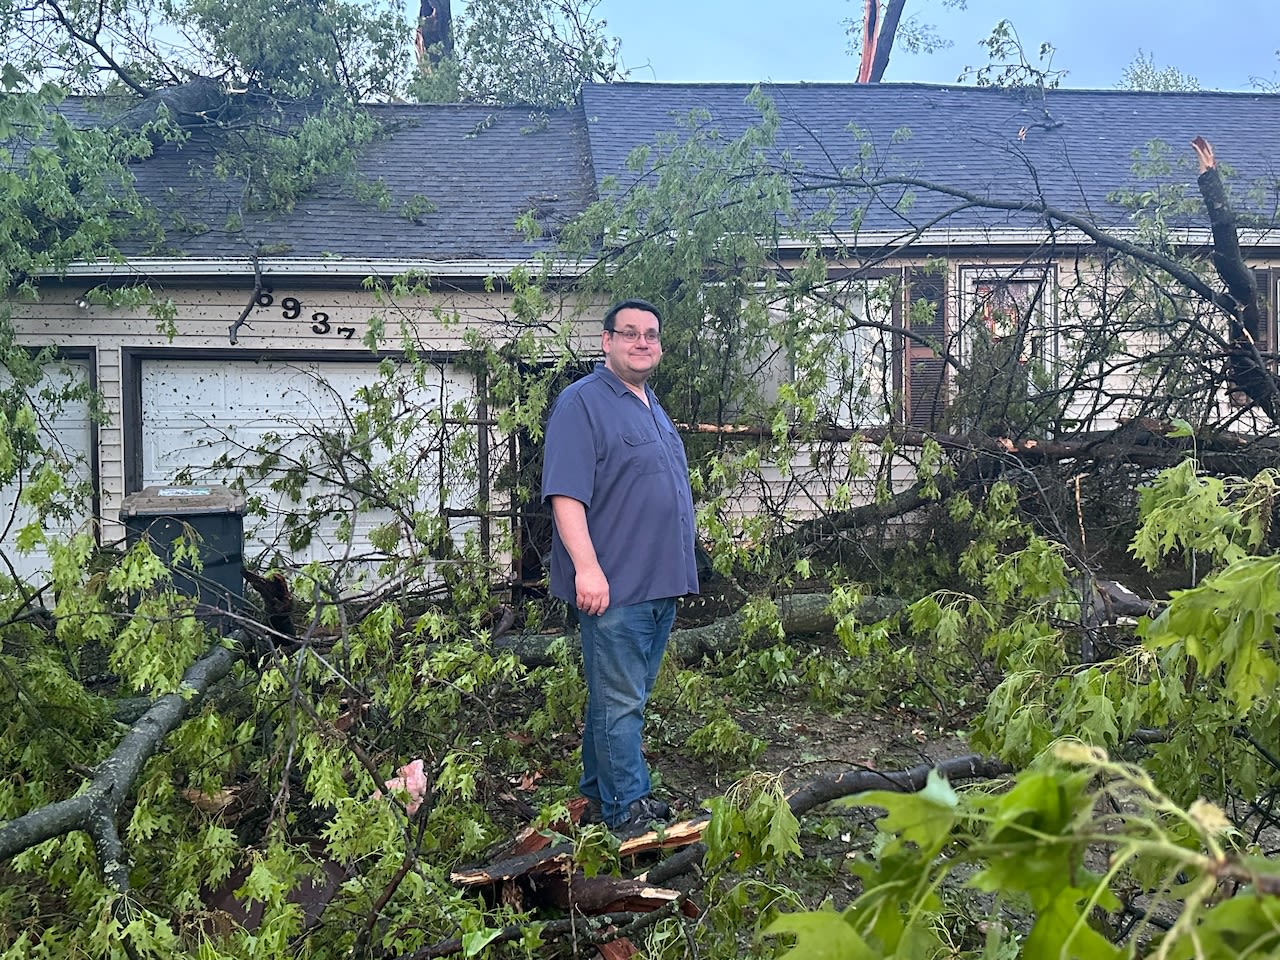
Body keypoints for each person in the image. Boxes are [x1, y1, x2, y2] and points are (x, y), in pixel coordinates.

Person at [541, 298, 700, 831]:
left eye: (650, 334)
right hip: (616, 588)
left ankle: (597, 794)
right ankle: (626, 810)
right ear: (606, 340)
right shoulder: (581, 403)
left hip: (659, 585)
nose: (641, 342)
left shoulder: (651, 405)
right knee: (622, 702)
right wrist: (587, 569)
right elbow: (566, 494)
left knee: (619, 699)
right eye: (629, 333)